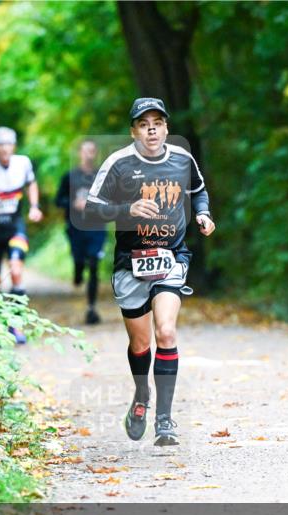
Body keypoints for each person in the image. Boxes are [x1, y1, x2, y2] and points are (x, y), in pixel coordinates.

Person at [83, 98, 215, 447]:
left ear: (167, 128)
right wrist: (127, 209)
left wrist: (203, 215)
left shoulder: (182, 160)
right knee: (141, 343)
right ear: (134, 131)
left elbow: (199, 192)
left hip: (172, 257)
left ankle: (165, 419)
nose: (152, 129)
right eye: (144, 124)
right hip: (131, 263)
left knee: (166, 332)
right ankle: (142, 394)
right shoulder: (118, 164)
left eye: (158, 122)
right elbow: (92, 211)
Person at [0, 127, 43, 344]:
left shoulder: (23, 163)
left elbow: (32, 183)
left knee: (16, 270)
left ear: (13, 147)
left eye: (8, 145)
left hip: (15, 226)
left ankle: (16, 324)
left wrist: (34, 206)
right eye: (0, 145)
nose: (4, 149)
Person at [55, 139, 106, 325]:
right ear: (79, 153)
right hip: (75, 228)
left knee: (94, 263)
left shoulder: (102, 176)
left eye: (92, 151)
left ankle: (91, 308)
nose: (88, 154)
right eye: (85, 151)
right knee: (79, 260)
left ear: (96, 153)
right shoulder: (70, 176)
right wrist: (73, 204)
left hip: (97, 227)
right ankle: (77, 270)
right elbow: (58, 200)